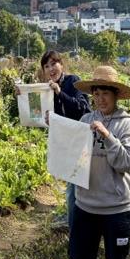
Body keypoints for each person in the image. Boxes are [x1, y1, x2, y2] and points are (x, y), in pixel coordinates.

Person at [67, 66, 130, 259]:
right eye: (96, 94)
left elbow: (127, 162)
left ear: (116, 95)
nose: (100, 99)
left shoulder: (127, 124)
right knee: (79, 258)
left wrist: (108, 136)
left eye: (105, 94)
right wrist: (58, 132)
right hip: (86, 204)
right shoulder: (85, 121)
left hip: (117, 207)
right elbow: (72, 157)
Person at [18, 50, 90, 228]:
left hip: (82, 142)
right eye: (46, 66)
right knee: (73, 188)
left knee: (76, 189)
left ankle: (76, 229)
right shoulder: (45, 91)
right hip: (64, 143)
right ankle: (76, 226)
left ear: (61, 65)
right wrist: (23, 96)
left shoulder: (73, 81)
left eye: (53, 64)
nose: (51, 69)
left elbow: (82, 108)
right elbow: (36, 115)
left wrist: (60, 93)